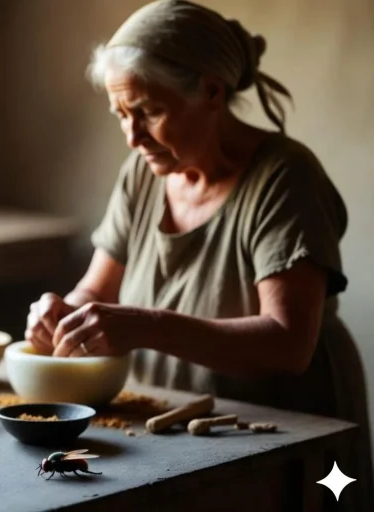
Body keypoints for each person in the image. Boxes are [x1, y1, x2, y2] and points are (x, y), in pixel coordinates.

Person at [24, 1, 373, 509]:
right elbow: (96, 291)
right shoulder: (145, 173)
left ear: (212, 91)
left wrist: (141, 325)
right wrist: (62, 312)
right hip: (179, 427)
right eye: (122, 114)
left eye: (148, 112)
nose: (132, 135)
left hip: (279, 429)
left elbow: (287, 343)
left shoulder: (285, 178)